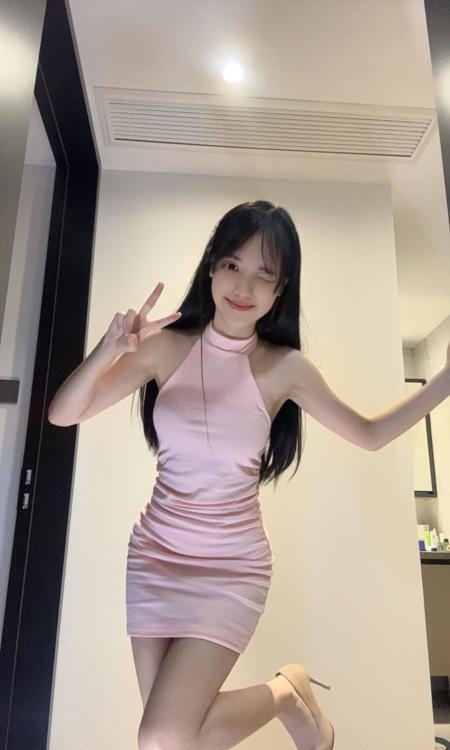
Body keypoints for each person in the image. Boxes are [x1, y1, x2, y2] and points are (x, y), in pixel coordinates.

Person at [48, 200, 450, 750]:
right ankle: (288, 693)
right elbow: (64, 413)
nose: (244, 286)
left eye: (265, 274)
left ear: (281, 289)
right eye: (233, 265)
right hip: (156, 557)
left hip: (230, 568)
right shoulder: (165, 348)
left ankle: (285, 694)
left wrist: (443, 382)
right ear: (212, 266)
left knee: (162, 735)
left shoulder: (285, 368)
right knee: (172, 743)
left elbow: (369, 434)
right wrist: (110, 349)